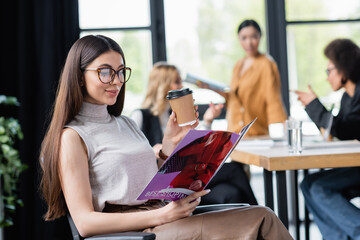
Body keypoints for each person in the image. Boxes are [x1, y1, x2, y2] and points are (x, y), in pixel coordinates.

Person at [39, 34, 292, 239]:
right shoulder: (72, 137)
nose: (116, 81)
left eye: (120, 71)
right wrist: (162, 216)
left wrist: (169, 146)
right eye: (105, 72)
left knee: (260, 213)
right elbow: (84, 223)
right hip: (139, 231)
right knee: (262, 219)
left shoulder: (124, 123)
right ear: (80, 77)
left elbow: (147, 181)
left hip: (164, 218)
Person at [132, 62, 258, 205]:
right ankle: (264, 217)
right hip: (169, 184)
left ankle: (259, 221)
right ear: (163, 84)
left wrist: (208, 121)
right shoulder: (140, 116)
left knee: (232, 193)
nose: (181, 86)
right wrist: (152, 151)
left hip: (189, 177)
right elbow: (131, 157)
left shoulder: (174, 116)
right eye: (177, 82)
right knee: (235, 169)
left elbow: (193, 148)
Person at [295, 38, 360, 240]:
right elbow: (333, 131)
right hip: (355, 164)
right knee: (307, 184)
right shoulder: (347, 98)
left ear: (343, 69)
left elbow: (346, 129)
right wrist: (314, 107)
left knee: (320, 188)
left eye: (329, 70)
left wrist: (315, 105)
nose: (327, 77)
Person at [198, 19, 287, 136]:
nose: (249, 43)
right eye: (244, 38)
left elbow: (273, 98)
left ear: (260, 37)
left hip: (255, 133)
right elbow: (234, 98)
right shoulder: (239, 64)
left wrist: (286, 130)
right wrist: (210, 88)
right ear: (239, 39)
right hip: (233, 132)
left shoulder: (266, 64)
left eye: (253, 37)